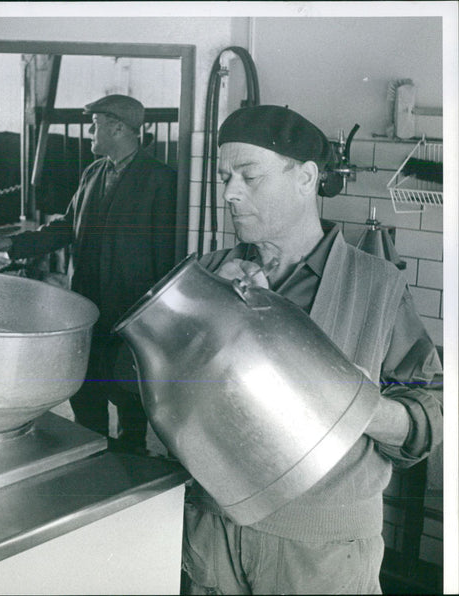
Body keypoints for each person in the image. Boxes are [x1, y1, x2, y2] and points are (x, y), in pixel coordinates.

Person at [180, 104, 443, 594]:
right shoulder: (207, 272)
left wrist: (356, 407)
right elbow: (140, 381)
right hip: (213, 536)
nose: (230, 193)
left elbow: (431, 416)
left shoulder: (376, 288)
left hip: (321, 554)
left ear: (305, 178)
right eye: (224, 177)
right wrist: (201, 312)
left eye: (249, 176)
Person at [0, 94, 178, 452]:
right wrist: (12, 244)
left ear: (117, 127)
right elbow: (67, 227)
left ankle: (131, 456)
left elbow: (167, 256)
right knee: (87, 394)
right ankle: (93, 455)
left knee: (129, 396)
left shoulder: (161, 181)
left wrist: (156, 317)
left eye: (95, 124)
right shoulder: (93, 173)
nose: (89, 132)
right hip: (88, 308)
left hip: (131, 314)